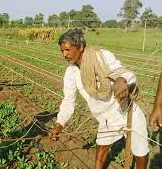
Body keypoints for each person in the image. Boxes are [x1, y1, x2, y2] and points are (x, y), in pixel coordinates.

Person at [51, 29, 149, 168]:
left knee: (140, 151)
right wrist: (59, 124)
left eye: (67, 50)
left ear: (81, 47)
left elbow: (126, 73)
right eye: (62, 51)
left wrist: (121, 79)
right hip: (106, 118)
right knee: (101, 148)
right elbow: (68, 101)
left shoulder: (101, 56)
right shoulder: (71, 73)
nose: (64, 54)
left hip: (126, 112)